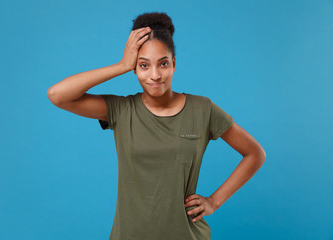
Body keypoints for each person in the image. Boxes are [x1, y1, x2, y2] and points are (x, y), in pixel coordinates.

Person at [47, 11, 266, 240]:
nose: (154, 75)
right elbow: (57, 95)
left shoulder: (203, 109)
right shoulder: (121, 110)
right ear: (135, 68)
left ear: (174, 64)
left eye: (163, 64)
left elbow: (255, 153)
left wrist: (214, 201)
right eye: (143, 65)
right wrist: (121, 65)